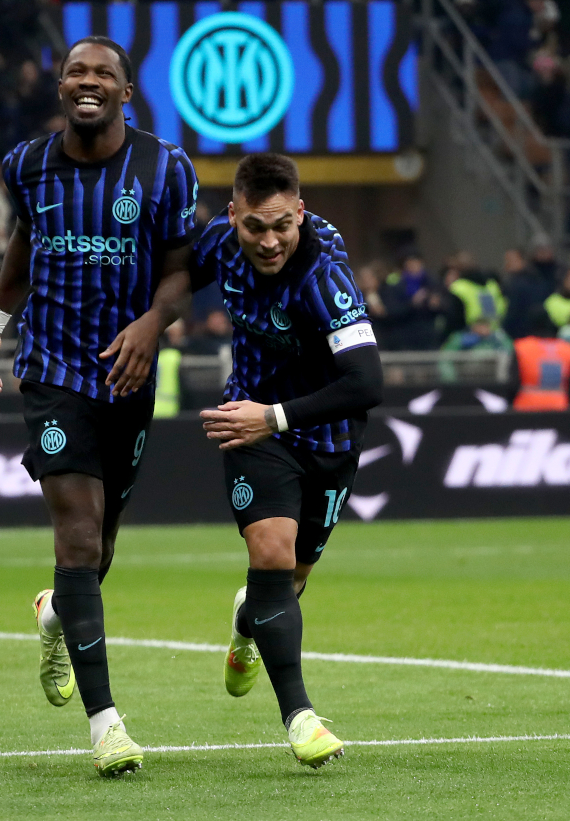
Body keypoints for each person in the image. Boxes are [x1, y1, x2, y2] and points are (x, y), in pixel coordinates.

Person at [0, 36, 197, 777]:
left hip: (128, 377)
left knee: (101, 549)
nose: (87, 82)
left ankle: (59, 612)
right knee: (79, 536)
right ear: (60, 85)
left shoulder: (167, 167)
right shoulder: (26, 165)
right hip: (54, 370)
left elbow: (181, 270)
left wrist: (152, 325)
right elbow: (23, 250)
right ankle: (106, 724)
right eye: (76, 72)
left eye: (103, 74)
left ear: (126, 92)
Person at [193, 153, 383, 769]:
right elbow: (166, 274)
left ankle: (247, 624)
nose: (269, 241)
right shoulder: (220, 243)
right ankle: (301, 719)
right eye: (255, 227)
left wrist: (274, 414)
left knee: (290, 582)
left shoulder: (325, 276)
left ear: (301, 211)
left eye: (282, 225)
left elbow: (367, 383)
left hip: (324, 439)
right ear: (233, 216)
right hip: (250, 426)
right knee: (270, 553)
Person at [511, 308, 570, 411]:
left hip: (527, 407)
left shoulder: (521, 347)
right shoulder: (567, 349)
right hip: (559, 407)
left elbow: (513, 383)